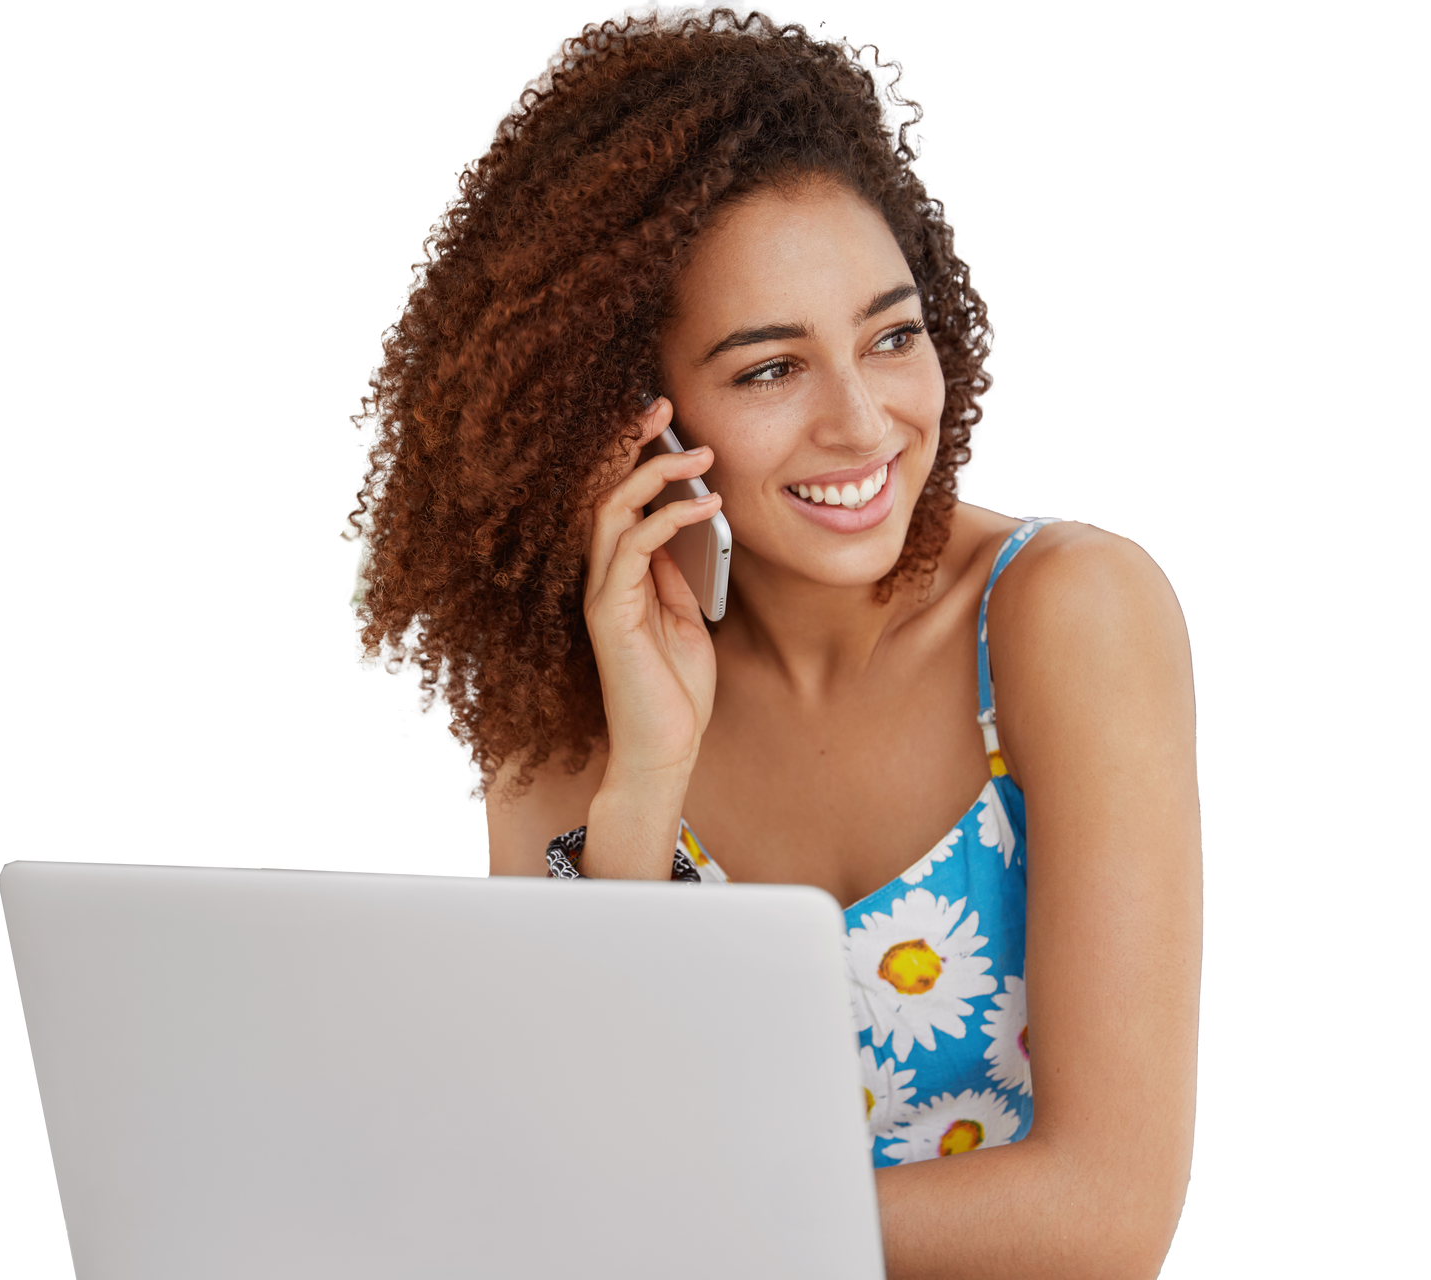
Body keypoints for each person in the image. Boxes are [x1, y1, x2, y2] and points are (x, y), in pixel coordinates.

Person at [343, 6, 1201, 1276]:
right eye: (766, 370)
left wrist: (689, 1223)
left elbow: (1107, 1212)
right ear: (625, 411)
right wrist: (643, 776)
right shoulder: (569, 698)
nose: (863, 426)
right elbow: (568, 1150)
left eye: (890, 335)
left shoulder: (1060, 609)